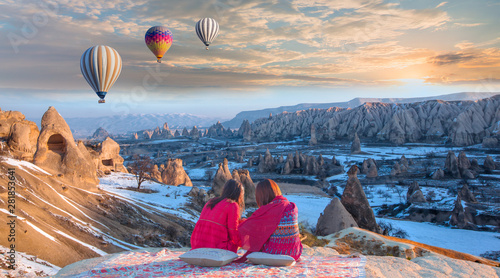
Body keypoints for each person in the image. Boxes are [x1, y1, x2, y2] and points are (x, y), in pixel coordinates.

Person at [236, 179, 302, 262]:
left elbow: (244, 228)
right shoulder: (291, 206)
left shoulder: (267, 210)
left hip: (273, 252)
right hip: (294, 253)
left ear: (261, 196)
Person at [190, 179, 245, 252]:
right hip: (216, 247)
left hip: (197, 245)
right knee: (245, 223)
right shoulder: (232, 205)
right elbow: (233, 231)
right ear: (239, 194)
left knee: (241, 222)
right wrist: (243, 243)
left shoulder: (211, 201)